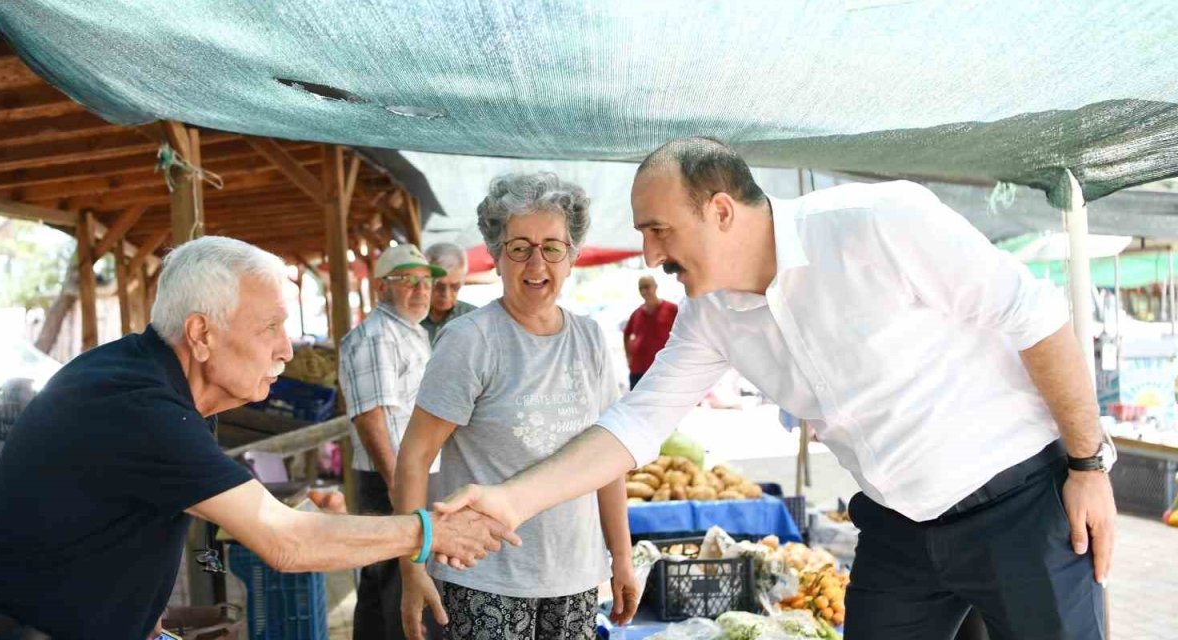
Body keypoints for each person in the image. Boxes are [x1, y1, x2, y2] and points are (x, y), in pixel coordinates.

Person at [435, 138, 1117, 640]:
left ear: (722, 210)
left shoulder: (879, 222)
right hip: (898, 529)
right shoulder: (711, 315)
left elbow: (1036, 316)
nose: (649, 255)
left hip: (1018, 509)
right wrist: (509, 500)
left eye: (657, 231)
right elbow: (635, 424)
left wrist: (1088, 466)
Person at [0, 237, 517, 640]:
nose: (288, 348)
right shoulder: (139, 405)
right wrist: (430, 531)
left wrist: (286, 514)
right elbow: (287, 546)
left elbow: (137, 520)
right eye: (271, 328)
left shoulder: (161, 385)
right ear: (201, 334)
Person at [394, 173, 637, 640]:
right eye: (519, 247)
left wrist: (620, 557)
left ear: (573, 257)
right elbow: (415, 456)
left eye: (552, 247)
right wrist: (412, 567)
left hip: (576, 576)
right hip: (483, 577)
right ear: (496, 256)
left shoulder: (589, 338)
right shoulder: (471, 341)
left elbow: (609, 458)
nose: (535, 263)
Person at [339, 244, 448, 640]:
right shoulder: (376, 336)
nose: (421, 290)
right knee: (400, 582)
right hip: (395, 475)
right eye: (408, 282)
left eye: (426, 281)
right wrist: (398, 482)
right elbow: (372, 418)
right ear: (382, 288)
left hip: (410, 472)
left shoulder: (409, 331)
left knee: (382, 578)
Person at [623, 275, 678, 389]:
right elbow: (627, 334)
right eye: (641, 288)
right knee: (636, 404)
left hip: (662, 369)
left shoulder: (672, 309)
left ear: (655, 287)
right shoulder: (636, 313)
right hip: (638, 369)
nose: (644, 291)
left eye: (647, 287)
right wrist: (629, 356)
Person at [422, 242, 478, 344]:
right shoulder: (410, 316)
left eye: (455, 287)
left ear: (463, 281)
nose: (446, 294)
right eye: (438, 286)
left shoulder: (475, 319)